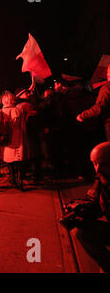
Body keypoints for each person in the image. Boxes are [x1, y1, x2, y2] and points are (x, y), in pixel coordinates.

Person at [70, 142, 110, 272]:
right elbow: (94, 202)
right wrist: (81, 209)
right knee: (81, 232)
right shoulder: (102, 177)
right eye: (94, 163)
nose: (97, 169)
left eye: (103, 163)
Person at [0, 93, 26, 190]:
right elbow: (23, 126)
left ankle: (12, 177)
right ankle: (19, 179)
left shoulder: (1, 112)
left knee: (9, 158)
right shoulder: (19, 110)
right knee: (18, 158)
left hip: (6, 137)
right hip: (17, 135)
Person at [77, 65, 110, 141]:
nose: (106, 73)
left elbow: (100, 107)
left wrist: (82, 116)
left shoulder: (107, 87)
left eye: (108, 71)